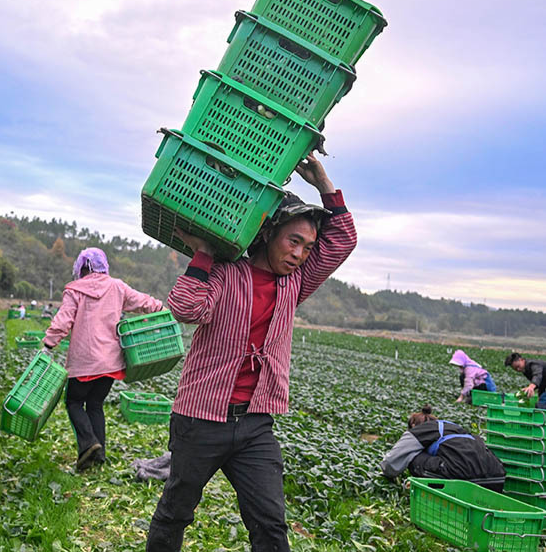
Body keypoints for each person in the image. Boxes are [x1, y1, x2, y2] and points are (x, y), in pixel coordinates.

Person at [146, 153, 357, 552]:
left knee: (270, 525)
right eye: (294, 241)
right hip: (201, 419)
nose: (300, 254)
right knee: (176, 511)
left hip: (255, 424)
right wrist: (203, 254)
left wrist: (323, 184)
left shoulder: (294, 284)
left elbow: (342, 240)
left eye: (308, 247)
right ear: (269, 234)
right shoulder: (227, 273)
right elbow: (186, 308)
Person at [43, 247, 163, 472]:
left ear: (81, 268)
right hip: (110, 362)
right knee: (95, 404)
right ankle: (99, 455)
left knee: (74, 402)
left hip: (84, 362)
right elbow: (143, 302)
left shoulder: (75, 290)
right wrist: (162, 309)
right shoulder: (117, 287)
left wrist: (49, 343)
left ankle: (88, 443)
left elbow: (63, 320)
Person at [381, 405, 506, 491]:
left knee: (412, 457)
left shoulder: (420, 431)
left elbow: (391, 463)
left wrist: (389, 475)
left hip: (464, 478)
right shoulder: (456, 428)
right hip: (496, 478)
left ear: (413, 425)